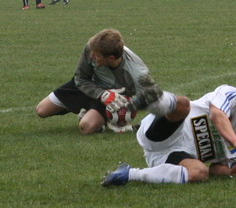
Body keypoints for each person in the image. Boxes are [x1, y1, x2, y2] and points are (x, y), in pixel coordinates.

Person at [101, 82, 236, 186]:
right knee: (183, 105)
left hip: (171, 157)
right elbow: (217, 114)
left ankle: (128, 174)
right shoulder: (233, 94)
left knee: (199, 172)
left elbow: (215, 168)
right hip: (165, 130)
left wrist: (231, 172)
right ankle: (149, 101)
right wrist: (235, 141)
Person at [36, 28, 171, 135]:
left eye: (97, 56)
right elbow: (80, 78)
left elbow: (157, 98)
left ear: (111, 58)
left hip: (113, 98)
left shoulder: (137, 73)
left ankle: (98, 119)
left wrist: (135, 118)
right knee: (41, 110)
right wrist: (102, 94)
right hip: (88, 85)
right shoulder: (92, 47)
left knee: (86, 127)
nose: (92, 56)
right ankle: (86, 108)